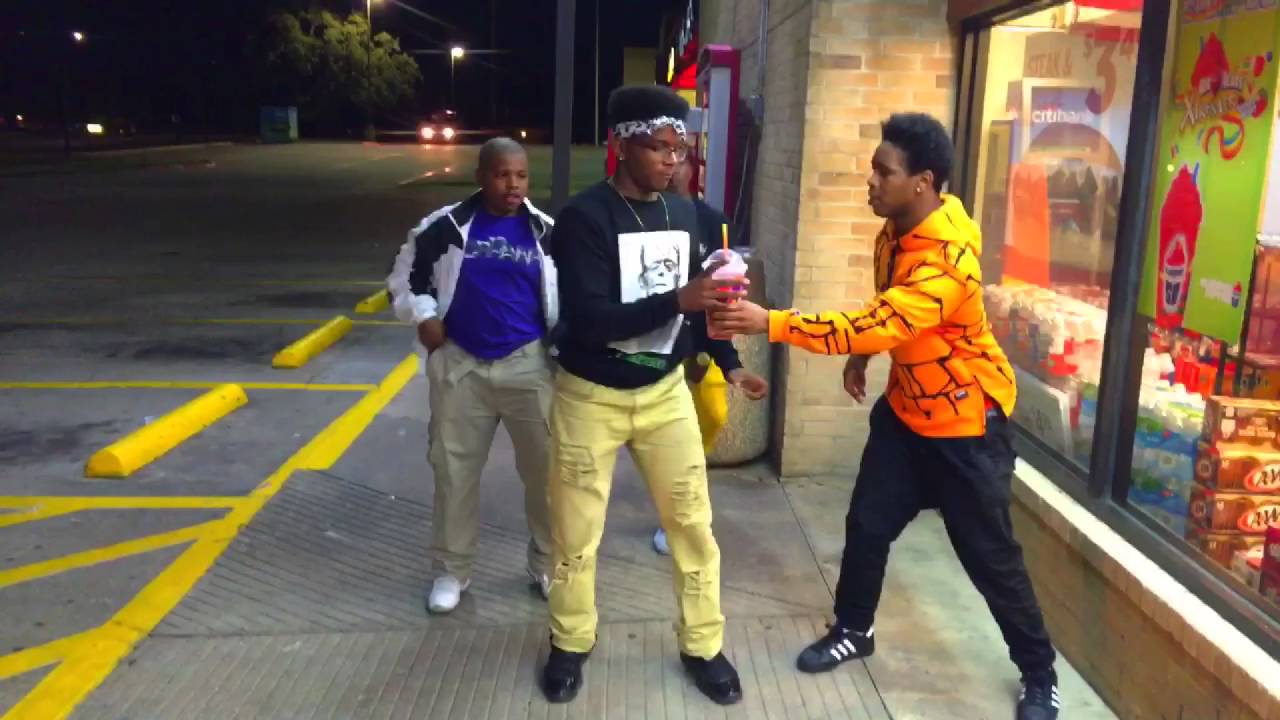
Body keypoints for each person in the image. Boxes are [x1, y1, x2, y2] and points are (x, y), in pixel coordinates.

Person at [712, 113, 1061, 720]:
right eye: (873, 168)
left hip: (966, 433)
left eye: (884, 172)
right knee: (867, 526)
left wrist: (771, 322)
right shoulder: (894, 232)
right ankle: (855, 629)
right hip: (904, 417)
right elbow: (886, 314)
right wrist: (862, 356)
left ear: (922, 182)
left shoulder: (948, 263)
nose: (870, 181)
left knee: (991, 562)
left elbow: (882, 319)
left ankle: (1040, 673)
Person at [540, 85, 746, 706]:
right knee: (575, 533)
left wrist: (732, 363)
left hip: (664, 393)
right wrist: (679, 298)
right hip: (589, 395)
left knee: (692, 525)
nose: (671, 160)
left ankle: (703, 645)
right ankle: (570, 642)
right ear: (621, 145)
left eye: (679, 149)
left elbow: (705, 307)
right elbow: (590, 318)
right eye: (658, 147)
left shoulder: (691, 216)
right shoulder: (584, 219)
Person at [387, 137, 558, 615]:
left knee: (547, 473)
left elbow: (566, 293)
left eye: (521, 176)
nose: (513, 185)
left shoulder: (546, 232)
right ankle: (452, 569)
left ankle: (547, 563)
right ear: (481, 176)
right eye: (502, 175)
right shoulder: (445, 227)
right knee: (454, 472)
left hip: (529, 364)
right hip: (462, 364)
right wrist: (424, 315)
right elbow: (404, 277)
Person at [652, 151, 768, 556]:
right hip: (655, 342)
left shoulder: (714, 222)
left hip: (703, 343)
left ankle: (684, 490)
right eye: (663, 156)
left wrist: (730, 362)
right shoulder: (646, 219)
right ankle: (673, 514)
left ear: (693, 168)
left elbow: (723, 294)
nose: (671, 167)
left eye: (680, 159)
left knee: (713, 416)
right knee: (664, 438)